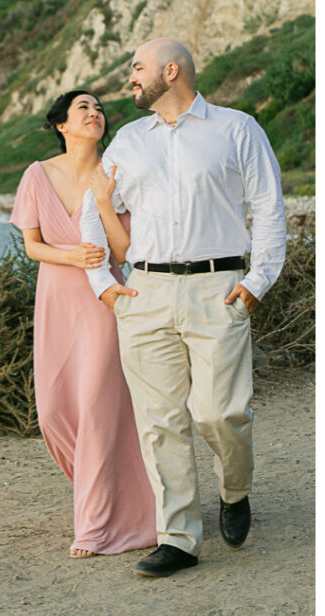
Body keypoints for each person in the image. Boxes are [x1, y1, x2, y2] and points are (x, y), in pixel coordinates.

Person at [82, 37, 286, 578]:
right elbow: (94, 211)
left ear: (170, 72)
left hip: (217, 289)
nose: (130, 78)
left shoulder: (237, 129)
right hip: (144, 295)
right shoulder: (128, 140)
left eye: (137, 68)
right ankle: (178, 537)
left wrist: (258, 281)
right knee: (159, 422)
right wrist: (102, 281)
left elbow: (268, 208)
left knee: (220, 412)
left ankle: (234, 490)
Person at [10, 90, 156, 559]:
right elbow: (32, 245)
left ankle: (93, 527)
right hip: (54, 301)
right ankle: (116, 497)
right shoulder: (37, 175)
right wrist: (70, 255)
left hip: (100, 303)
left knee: (95, 408)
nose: (95, 113)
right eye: (83, 108)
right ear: (62, 126)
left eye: (98, 108)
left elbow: (121, 253)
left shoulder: (116, 173)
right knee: (54, 411)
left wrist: (106, 204)